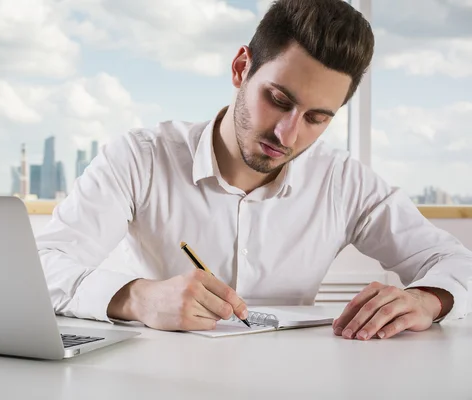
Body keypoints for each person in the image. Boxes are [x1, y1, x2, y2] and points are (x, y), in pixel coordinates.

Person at [35, 0, 472, 341]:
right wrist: (137, 297)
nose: (287, 134)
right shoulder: (140, 158)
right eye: (279, 100)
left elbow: (455, 262)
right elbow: (42, 267)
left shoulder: (344, 182)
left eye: (316, 118)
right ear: (241, 67)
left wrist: (427, 299)